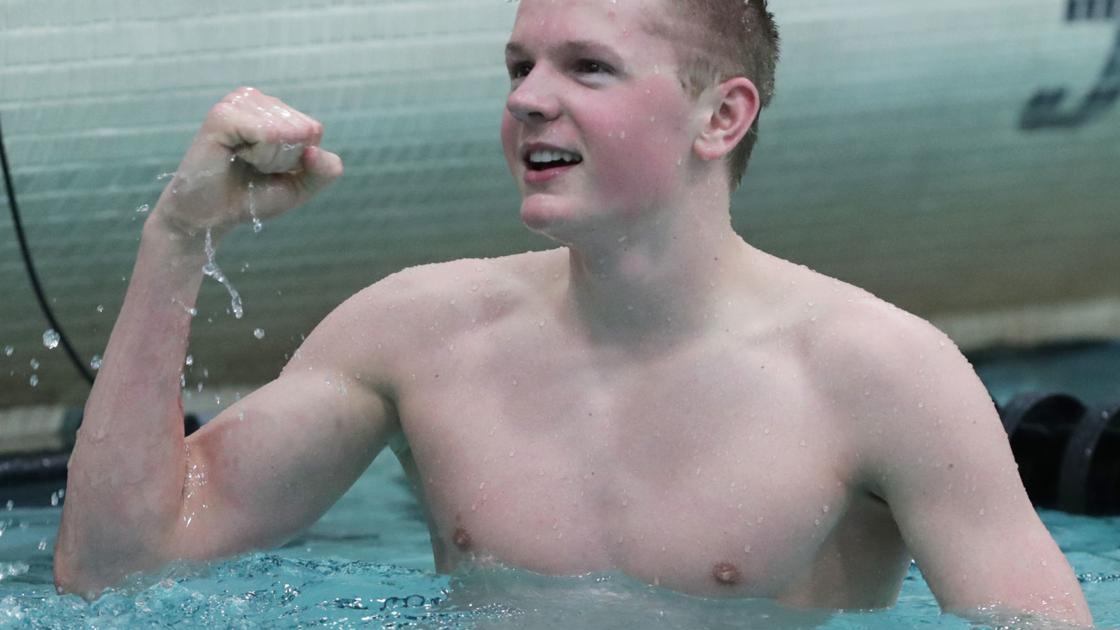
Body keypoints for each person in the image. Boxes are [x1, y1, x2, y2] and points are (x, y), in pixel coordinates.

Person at [55, 0, 1093, 624]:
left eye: (584, 67)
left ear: (720, 115)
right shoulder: (418, 333)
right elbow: (112, 572)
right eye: (519, 67)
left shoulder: (880, 376)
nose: (526, 98)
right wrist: (176, 239)